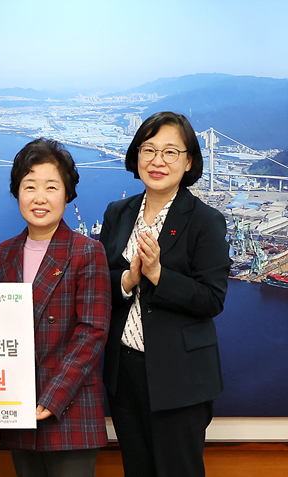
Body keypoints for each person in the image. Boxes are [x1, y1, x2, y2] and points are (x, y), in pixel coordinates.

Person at [99, 112, 231, 477]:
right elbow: (101, 281)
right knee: (136, 469)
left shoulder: (205, 220)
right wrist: (127, 280)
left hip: (179, 376)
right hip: (124, 371)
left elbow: (212, 299)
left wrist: (158, 274)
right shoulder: (118, 213)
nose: (158, 160)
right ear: (136, 155)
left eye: (171, 152)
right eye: (149, 149)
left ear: (188, 162)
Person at [0, 138, 111, 476]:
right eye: (29, 186)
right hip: (19, 408)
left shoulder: (87, 251)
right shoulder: (3, 254)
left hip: (70, 408)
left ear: (67, 194)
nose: (39, 197)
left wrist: (52, 397)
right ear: (17, 192)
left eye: (51, 187)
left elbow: (92, 332)